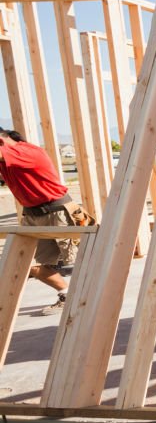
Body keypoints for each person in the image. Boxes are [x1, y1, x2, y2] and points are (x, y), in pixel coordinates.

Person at [0, 128, 90, 315]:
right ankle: (67, 294)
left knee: (78, 262)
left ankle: (92, 299)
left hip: (60, 211)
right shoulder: (7, 157)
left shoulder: (25, 152)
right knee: (28, 263)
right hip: (32, 216)